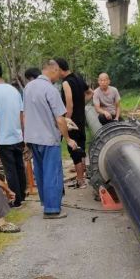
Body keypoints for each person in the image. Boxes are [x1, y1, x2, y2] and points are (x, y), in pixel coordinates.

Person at [23, 59, 78, 220]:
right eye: (58, 72)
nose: (59, 76)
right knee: (52, 172)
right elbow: (60, 119)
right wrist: (68, 138)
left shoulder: (28, 87)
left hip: (33, 138)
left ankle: (46, 203)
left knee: (40, 172)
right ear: (53, 70)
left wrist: (26, 139)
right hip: (48, 138)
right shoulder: (50, 89)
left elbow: (25, 114)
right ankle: (52, 209)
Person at [0, 59, 27, 207]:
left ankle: (16, 200)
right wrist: (23, 134)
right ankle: (22, 195)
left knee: (10, 170)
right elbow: (21, 115)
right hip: (17, 136)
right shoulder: (13, 90)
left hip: (4, 139)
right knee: (19, 167)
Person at [55, 57, 93, 188]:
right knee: (80, 147)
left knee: (74, 150)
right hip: (81, 119)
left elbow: (69, 104)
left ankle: (80, 181)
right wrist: (81, 105)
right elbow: (90, 93)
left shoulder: (66, 83)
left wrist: (67, 120)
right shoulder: (78, 78)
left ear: (60, 69)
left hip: (72, 121)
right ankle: (82, 178)